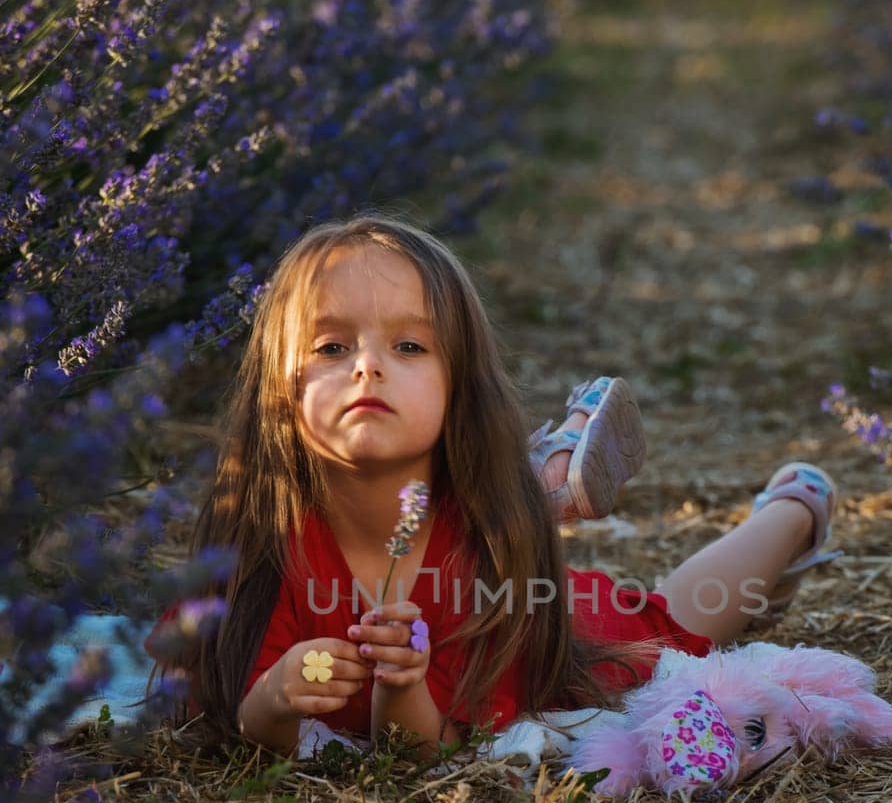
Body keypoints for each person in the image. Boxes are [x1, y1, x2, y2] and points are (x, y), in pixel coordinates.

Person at [147, 212, 838, 757]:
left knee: (669, 631)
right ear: (280, 386)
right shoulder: (267, 541)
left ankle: (793, 509)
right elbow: (248, 723)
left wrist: (403, 683)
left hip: (518, 606)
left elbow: (424, 750)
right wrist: (275, 697)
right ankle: (539, 485)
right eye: (331, 347)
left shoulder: (476, 565)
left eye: (410, 347)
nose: (367, 368)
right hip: (484, 540)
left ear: (461, 390)